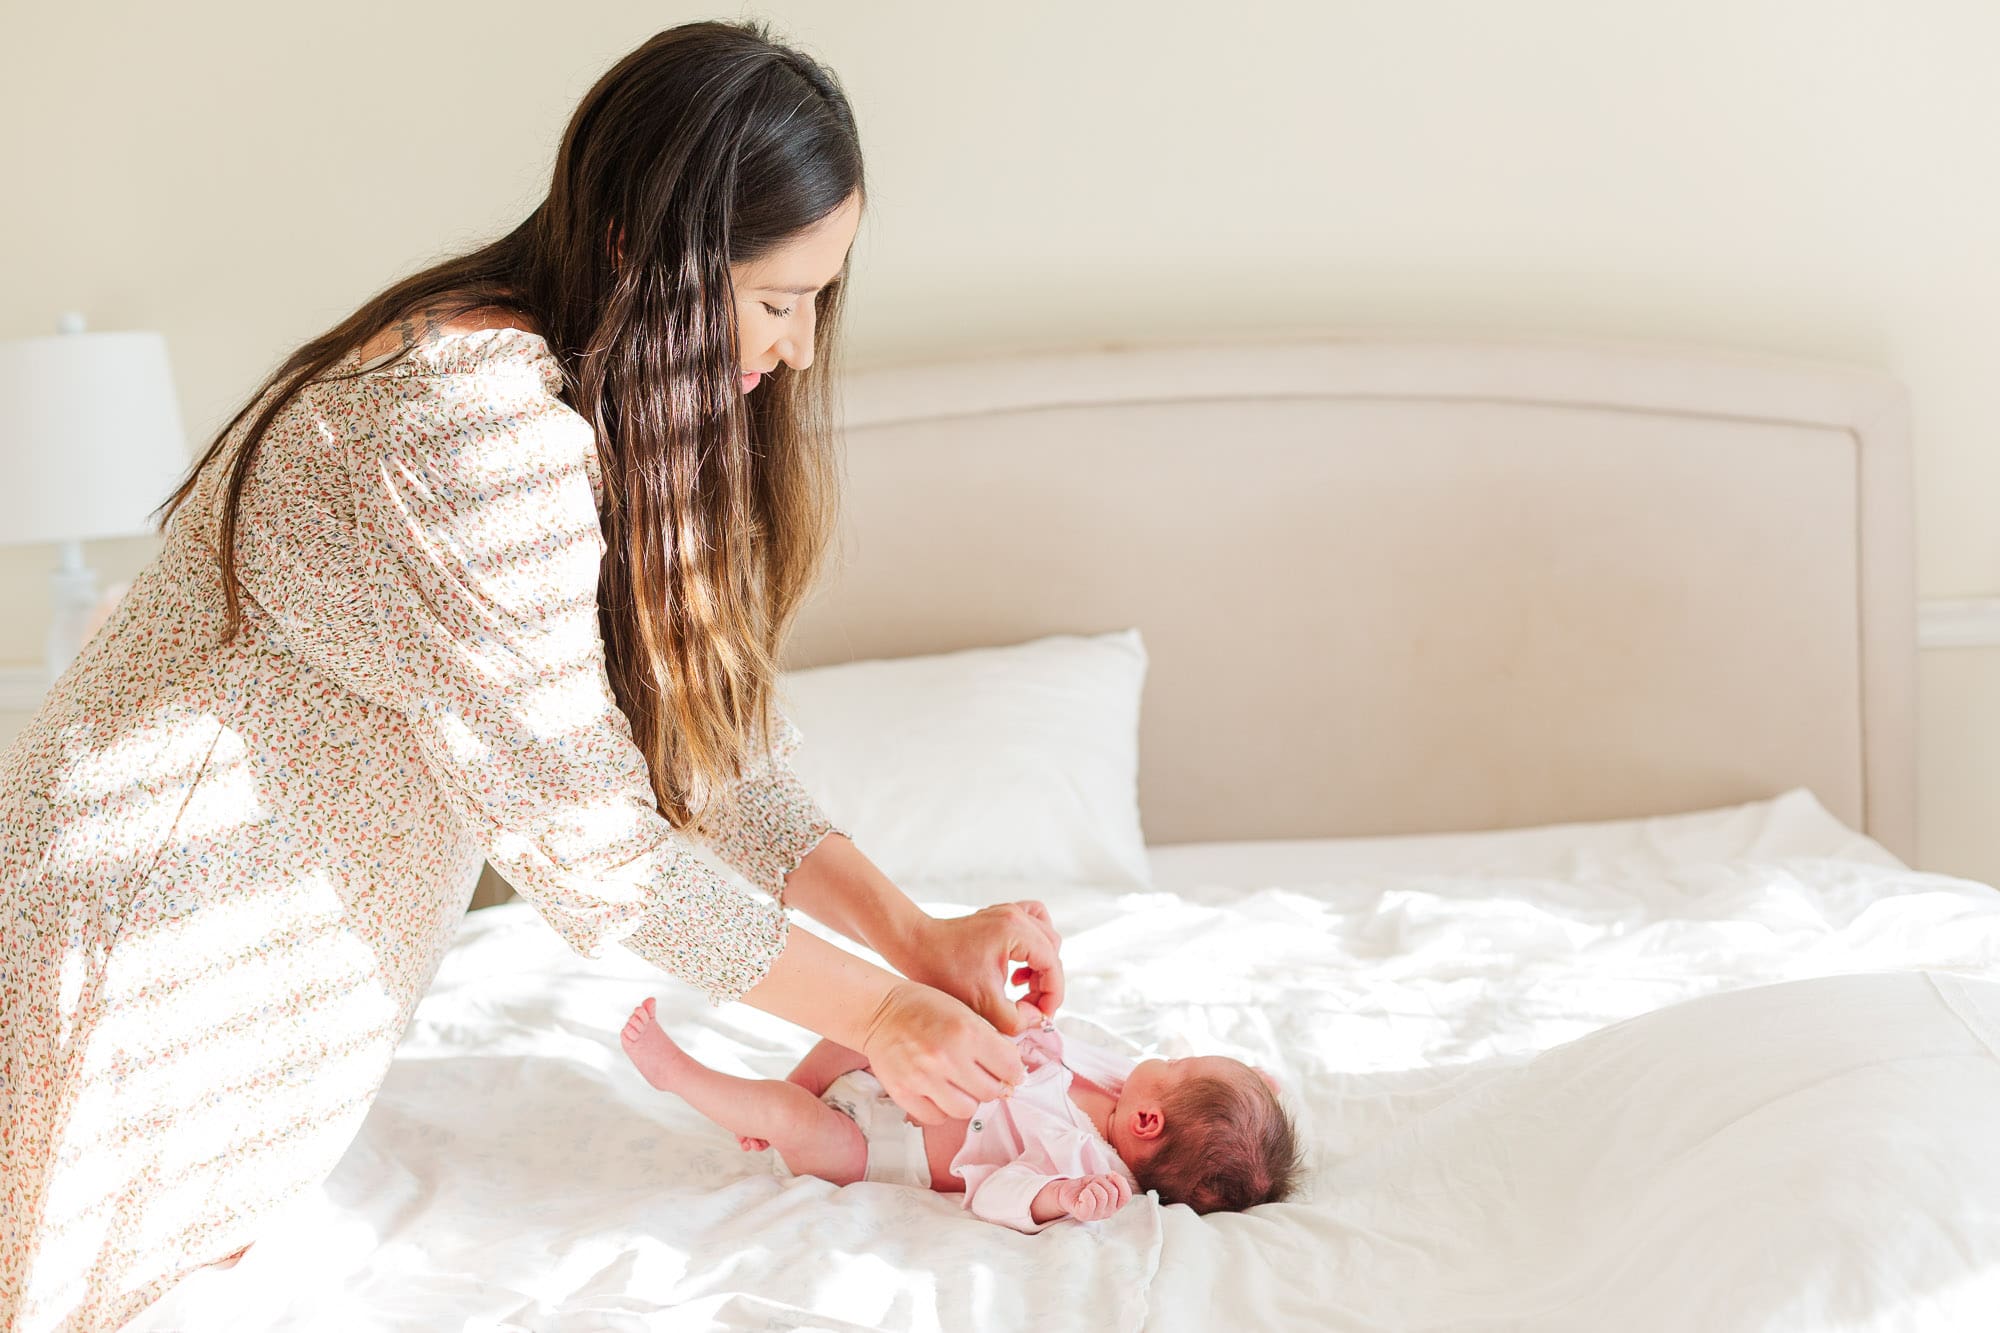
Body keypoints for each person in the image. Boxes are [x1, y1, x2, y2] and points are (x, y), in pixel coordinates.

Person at [0, 20, 1063, 1331]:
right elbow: (596, 851)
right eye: (777, 300)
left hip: (281, 977)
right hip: (160, 933)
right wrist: (884, 1013)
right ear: (639, 249)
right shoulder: (474, 428)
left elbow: (708, 744)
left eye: (816, 303)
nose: (795, 349)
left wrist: (914, 937)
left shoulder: (589, 405)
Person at [619, 996, 1303, 1231]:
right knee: (863, 1025)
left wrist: (1055, 1197)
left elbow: (997, 1195)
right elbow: (1058, 1047)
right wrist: (1251, 1093)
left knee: (791, 1117)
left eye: (1181, 1066)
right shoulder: (1125, 1088)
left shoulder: (1091, 1165)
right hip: (903, 1074)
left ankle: (679, 1075)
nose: (1168, 1057)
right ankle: (797, 1086)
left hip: (878, 1149)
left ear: (1150, 1124)